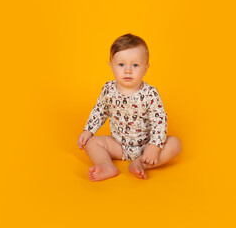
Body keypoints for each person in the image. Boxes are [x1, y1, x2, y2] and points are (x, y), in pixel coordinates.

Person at [77, 33, 182, 181]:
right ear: (111, 66)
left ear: (146, 68)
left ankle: (141, 163)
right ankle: (106, 165)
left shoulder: (150, 93)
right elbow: (100, 111)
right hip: (118, 145)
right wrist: (88, 130)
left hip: (146, 145)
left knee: (175, 144)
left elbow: (159, 121)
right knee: (92, 143)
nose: (128, 70)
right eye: (121, 65)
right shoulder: (109, 90)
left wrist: (154, 146)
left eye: (135, 65)